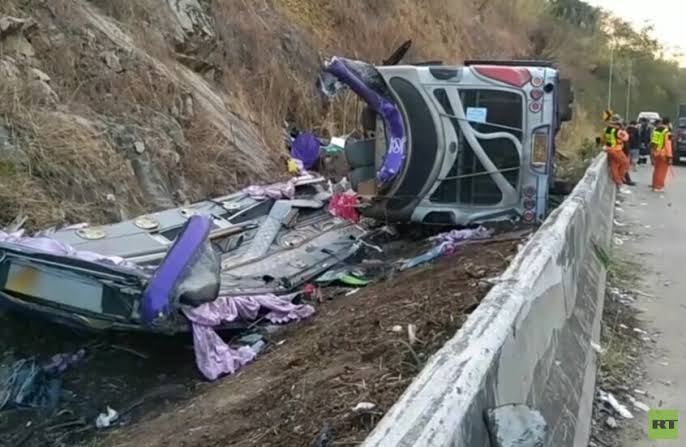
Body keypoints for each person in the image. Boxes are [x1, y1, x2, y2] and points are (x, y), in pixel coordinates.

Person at [600, 115, 630, 188]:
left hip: (608, 149)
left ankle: (617, 181)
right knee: (625, 163)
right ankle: (619, 179)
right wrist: (623, 130)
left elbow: (602, 140)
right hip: (617, 150)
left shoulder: (605, 129)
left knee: (614, 166)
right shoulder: (618, 131)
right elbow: (626, 138)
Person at [651, 117, 673, 192]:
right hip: (663, 154)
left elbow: (653, 141)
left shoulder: (656, 130)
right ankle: (659, 186)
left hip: (656, 152)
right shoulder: (667, 132)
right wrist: (669, 156)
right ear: (668, 123)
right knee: (662, 171)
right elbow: (668, 145)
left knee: (657, 170)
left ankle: (654, 185)